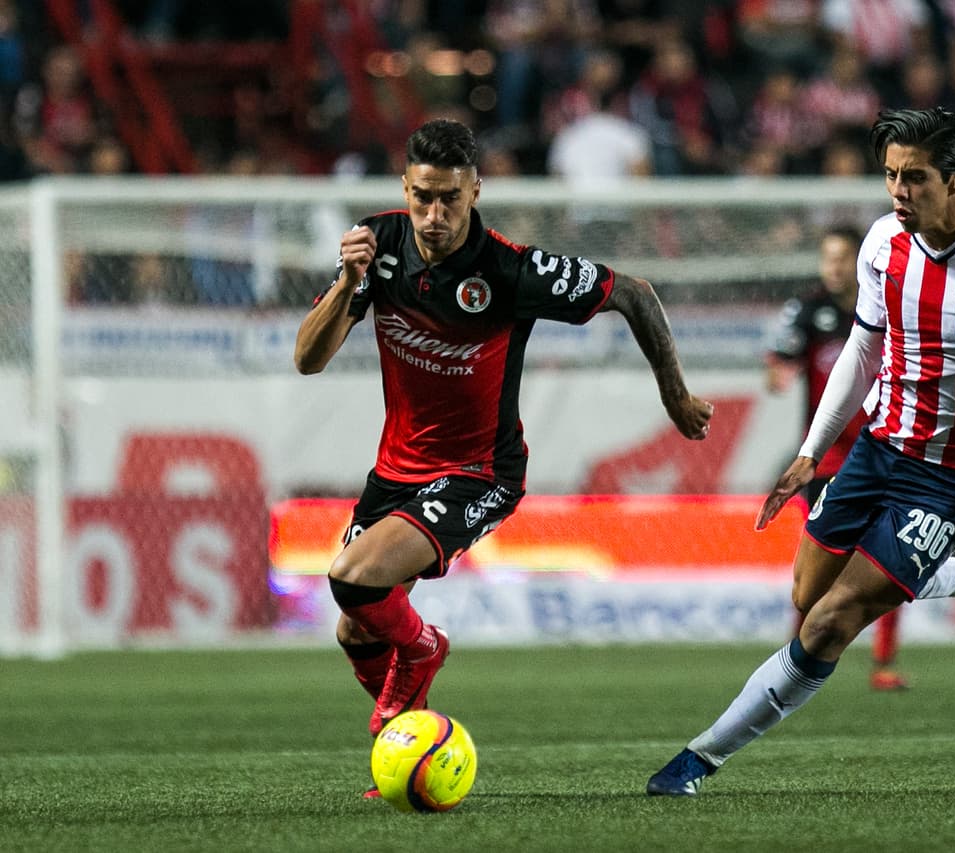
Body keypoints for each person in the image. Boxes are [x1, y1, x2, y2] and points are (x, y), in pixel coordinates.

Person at [646, 107, 955, 796]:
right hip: (874, 449)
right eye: (890, 175)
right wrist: (811, 450)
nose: (898, 191)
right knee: (809, 597)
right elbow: (864, 348)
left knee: (832, 623)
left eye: (914, 177)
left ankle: (697, 759)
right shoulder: (881, 244)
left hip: (951, 478)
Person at [293, 119, 713, 795]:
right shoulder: (377, 247)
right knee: (354, 631)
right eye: (422, 196)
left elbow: (633, 292)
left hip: (478, 473)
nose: (434, 214)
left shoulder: (512, 270)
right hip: (394, 472)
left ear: (476, 192)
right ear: (404, 187)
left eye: (450, 199)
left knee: (352, 578)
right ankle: (416, 745)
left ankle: (425, 648)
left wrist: (676, 395)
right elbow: (308, 359)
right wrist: (347, 283)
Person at [765, 225, 909, 691]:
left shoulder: (888, 309)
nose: (833, 267)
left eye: (841, 257)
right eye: (826, 257)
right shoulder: (808, 311)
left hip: (881, 451)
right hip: (825, 460)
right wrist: (779, 373)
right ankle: (796, 656)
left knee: (890, 559)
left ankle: (884, 663)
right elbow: (778, 361)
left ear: (860, 260)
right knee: (819, 563)